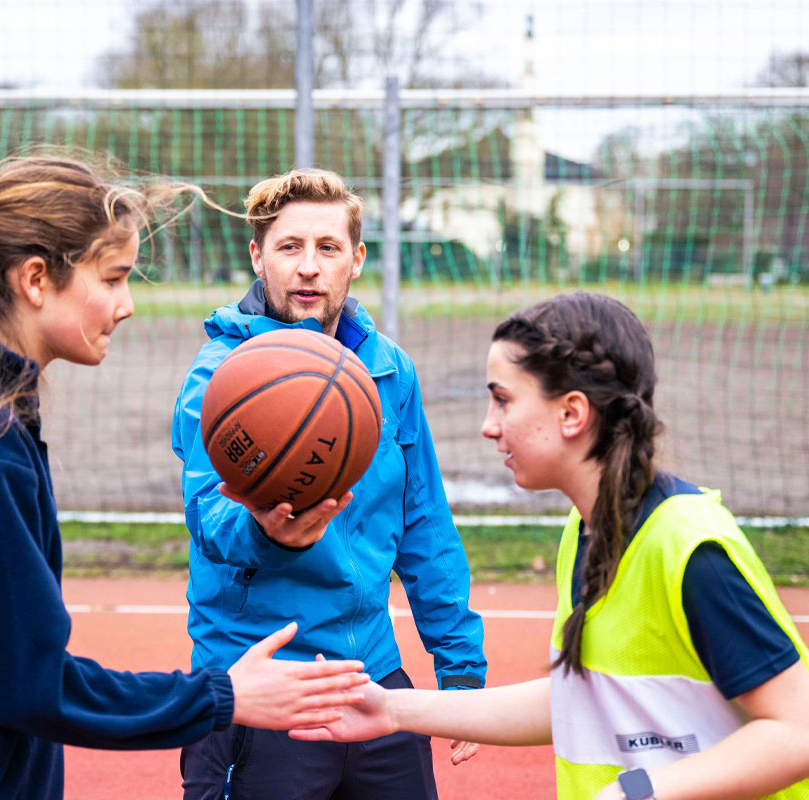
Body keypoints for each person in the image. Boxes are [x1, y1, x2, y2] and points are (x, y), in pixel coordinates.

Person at [0, 154, 370, 800]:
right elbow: (35, 684)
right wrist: (224, 695)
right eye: (112, 278)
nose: (126, 304)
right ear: (35, 280)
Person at [290, 292, 809, 800]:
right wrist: (392, 710)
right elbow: (582, 701)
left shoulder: (688, 548)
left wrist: (641, 792)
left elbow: (798, 730)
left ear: (572, 413)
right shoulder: (585, 531)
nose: (488, 426)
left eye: (503, 399)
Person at [172, 168, 487, 800]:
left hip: (370, 676)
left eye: (328, 247)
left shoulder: (388, 371)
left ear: (357, 259)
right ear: (258, 256)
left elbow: (423, 519)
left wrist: (459, 666)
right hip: (263, 680)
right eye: (290, 247)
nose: (308, 267)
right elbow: (210, 519)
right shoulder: (221, 382)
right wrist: (268, 533)